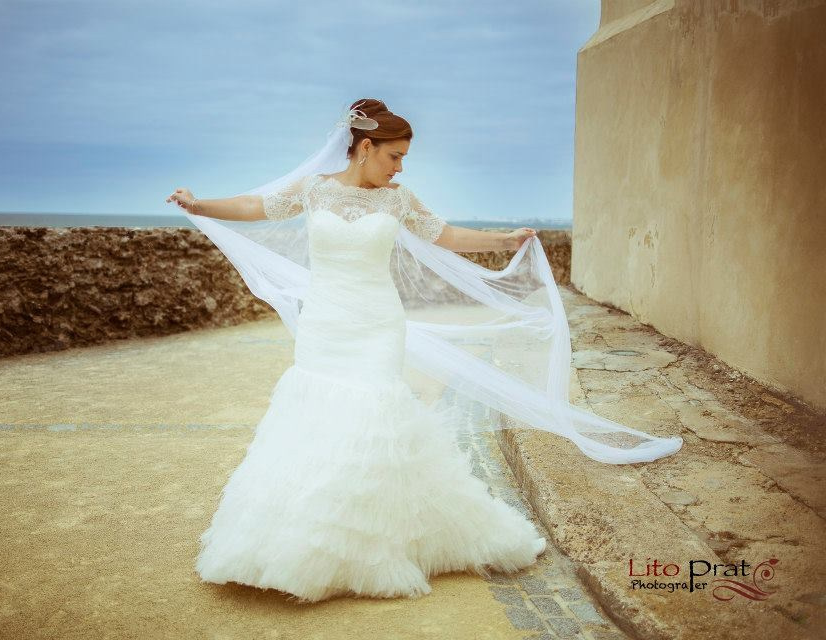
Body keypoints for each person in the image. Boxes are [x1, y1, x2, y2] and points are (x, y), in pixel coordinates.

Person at [165, 98, 682, 603]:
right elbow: (257, 207)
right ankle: (301, 544)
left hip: (376, 325)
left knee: (374, 417)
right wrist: (199, 204)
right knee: (316, 416)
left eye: (404, 159)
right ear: (365, 147)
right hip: (326, 327)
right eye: (394, 156)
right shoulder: (314, 191)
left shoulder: (398, 199)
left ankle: (371, 546)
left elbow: (445, 235)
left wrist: (504, 241)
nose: (399, 167)